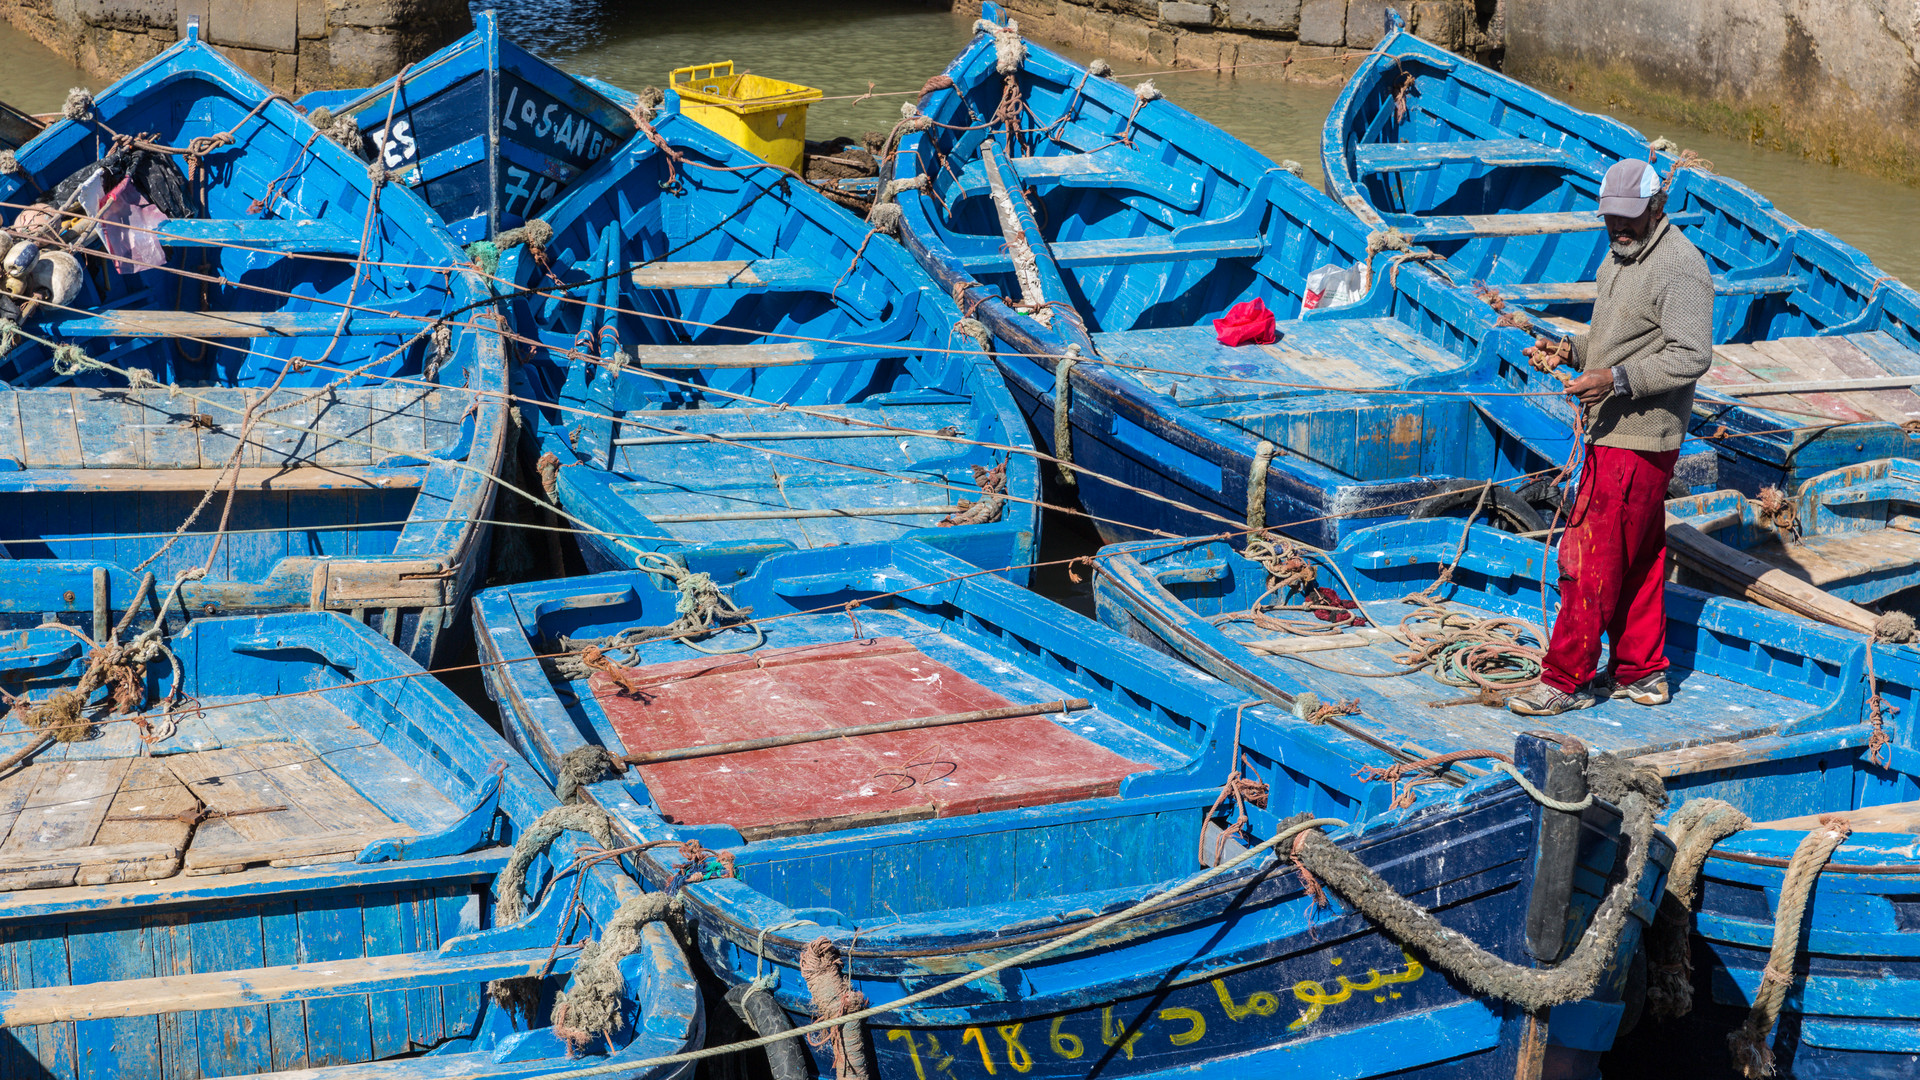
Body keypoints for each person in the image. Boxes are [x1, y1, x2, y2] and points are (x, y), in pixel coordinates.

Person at [1507, 157, 1714, 717]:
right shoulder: (1621, 255)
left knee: (1587, 556)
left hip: (1637, 440)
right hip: (1615, 434)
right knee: (1641, 555)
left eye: (1630, 218)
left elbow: (1691, 355)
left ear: (1658, 207)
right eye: (1611, 219)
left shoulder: (1680, 268)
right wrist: (1571, 352)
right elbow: (1620, 337)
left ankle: (1563, 679)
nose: (1619, 228)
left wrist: (1615, 380)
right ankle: (1642, 673)